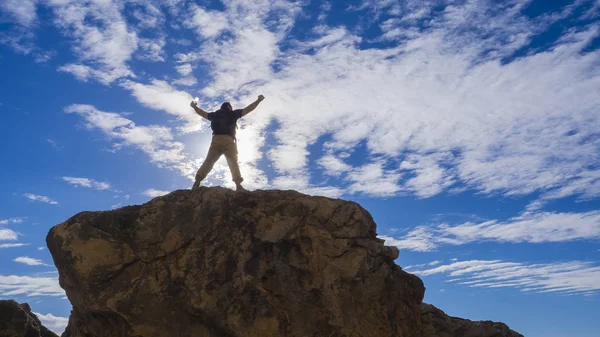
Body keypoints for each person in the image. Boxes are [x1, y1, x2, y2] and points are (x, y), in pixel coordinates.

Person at [190, 95, 265, 191]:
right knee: (233, 162)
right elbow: (248, 109)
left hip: (216, 140)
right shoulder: (233, 113)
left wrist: (194, 107)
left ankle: (197, 183)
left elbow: (202, 113)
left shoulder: (214, 115)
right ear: (229, 107)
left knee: (208, 162)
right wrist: (258, 100)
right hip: (228, 141)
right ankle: (238, 186)